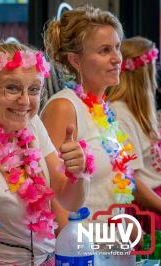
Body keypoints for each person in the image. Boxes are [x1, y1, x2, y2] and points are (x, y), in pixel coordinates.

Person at [0, 41, 90, 266]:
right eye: (12, 87)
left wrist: (78, 172)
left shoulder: (32, 124)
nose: (25, 101)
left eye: (34, 89)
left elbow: (70, 200)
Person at [42, 5, 137, 229]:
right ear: (75, 61)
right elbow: (53, 194)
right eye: (104, 50)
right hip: (83, 251)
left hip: (112, 246)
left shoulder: (103, 108)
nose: (116, 58)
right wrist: (73, 251)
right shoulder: (64, 107)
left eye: (117, 47)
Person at [106, 36, 161, 232]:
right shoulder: (121, 115)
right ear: (144, 74)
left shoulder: (136, 111)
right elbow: (134, 181)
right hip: (151, 211)